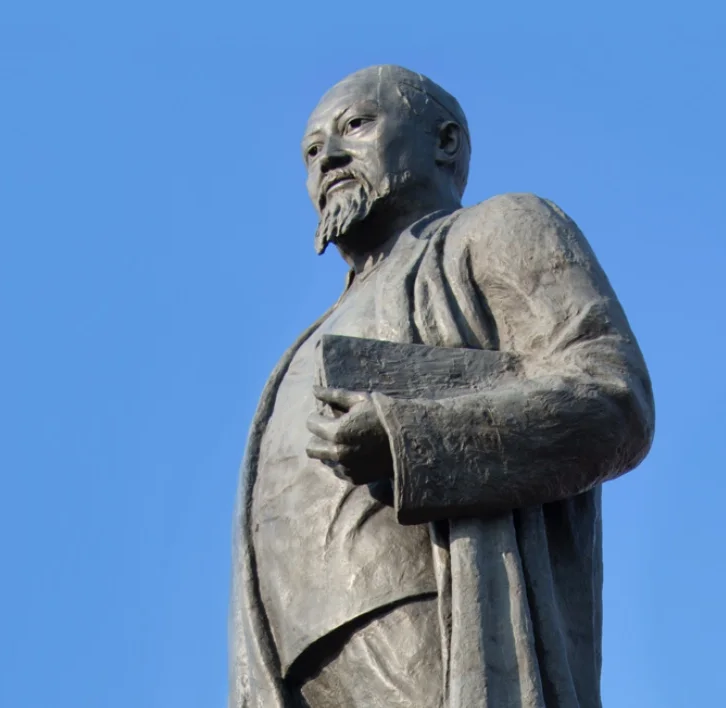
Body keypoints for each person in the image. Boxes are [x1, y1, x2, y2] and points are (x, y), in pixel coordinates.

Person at [229, 64, 654, 708]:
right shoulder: (306, 337)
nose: (328, 159)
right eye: (311, 152)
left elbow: (613, 396)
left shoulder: (498, 228)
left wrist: (411, 441)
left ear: (445, 141)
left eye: (355, 125)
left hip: (438, 608)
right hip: (293, 661)